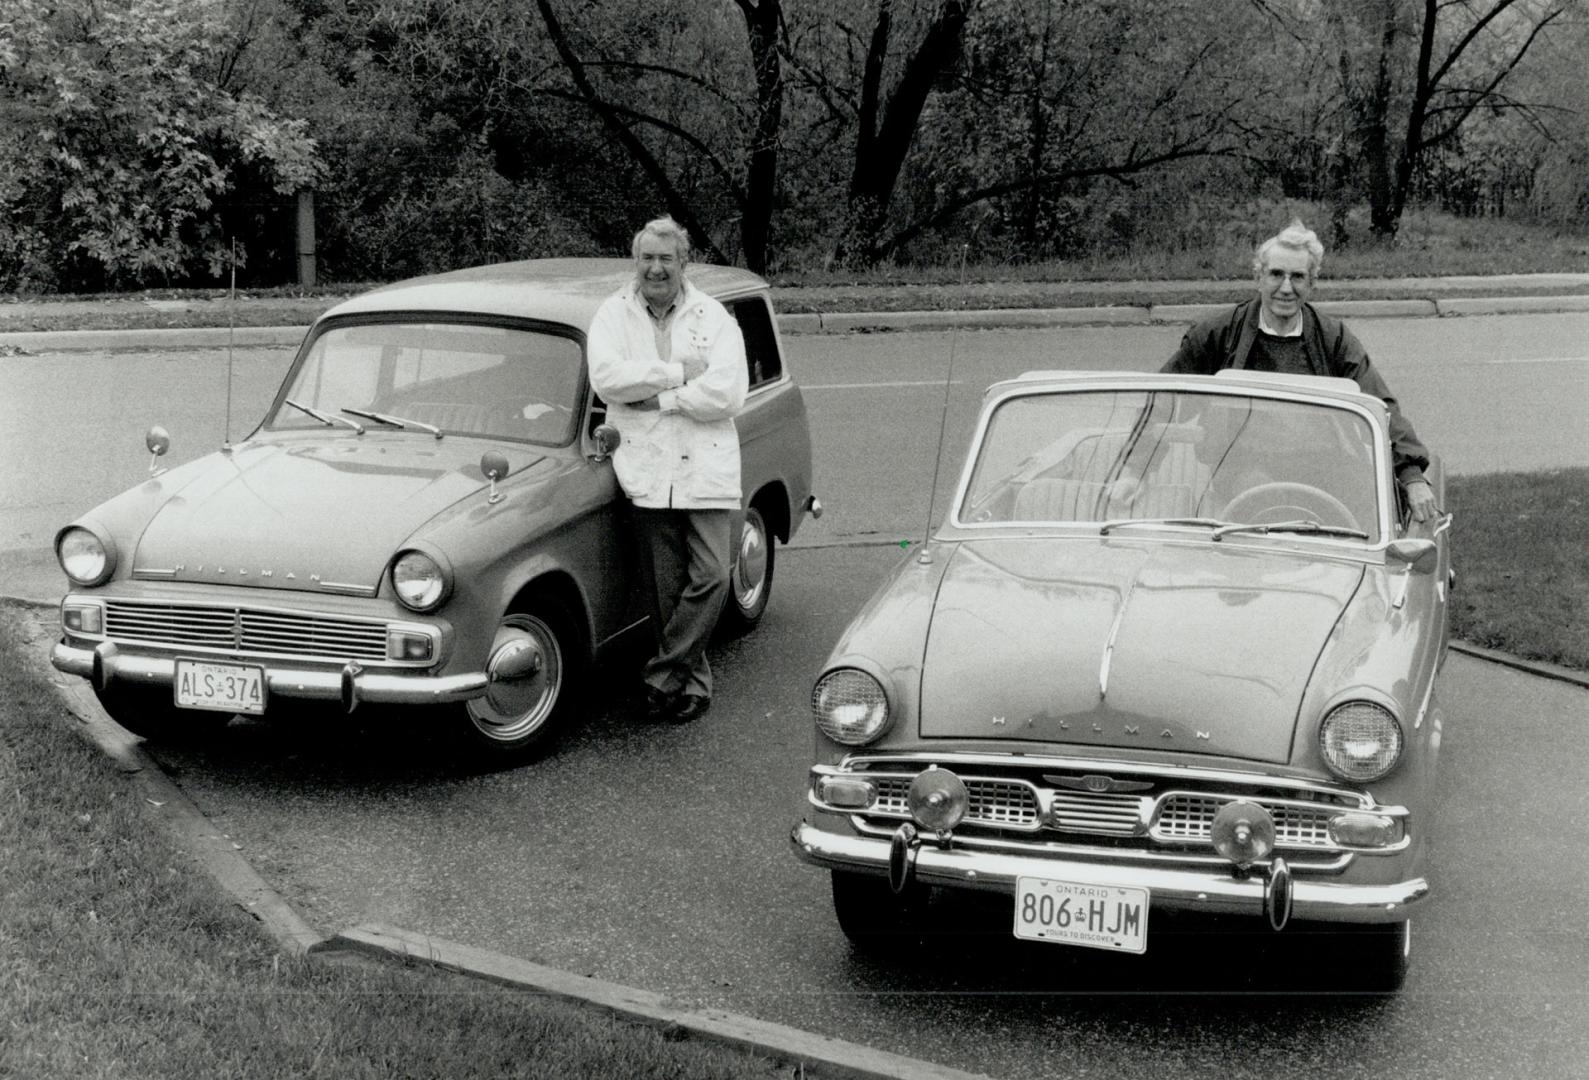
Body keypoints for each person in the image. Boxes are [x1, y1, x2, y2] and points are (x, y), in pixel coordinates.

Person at [1163, 220, 1438, 522]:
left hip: (1323, 465)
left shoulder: (1333, 337)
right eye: (1276, 275)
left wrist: (1411, 476)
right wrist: (1132, 472)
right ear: (1258, 278)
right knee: (1262, 509)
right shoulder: (1217, 333)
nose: (1286, 288)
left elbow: (1379, 406)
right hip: (1243, 465)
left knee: (1376, 508)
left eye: (1297, 277)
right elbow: (1165, 400)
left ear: (1311, 283)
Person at [586, 217, 749, 723]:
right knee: (665, 587)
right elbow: (609, 380)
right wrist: (679, 374)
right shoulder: (612, 315)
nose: (656, 268)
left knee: (712, 577)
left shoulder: (713, 316)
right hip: (646, 462)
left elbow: (728, 392)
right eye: (647, 258)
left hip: (705, 463)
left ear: (683, 264)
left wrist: (659, 399)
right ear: (635, 263)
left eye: (666, 259)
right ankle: (690, 685)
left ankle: (661, 672)